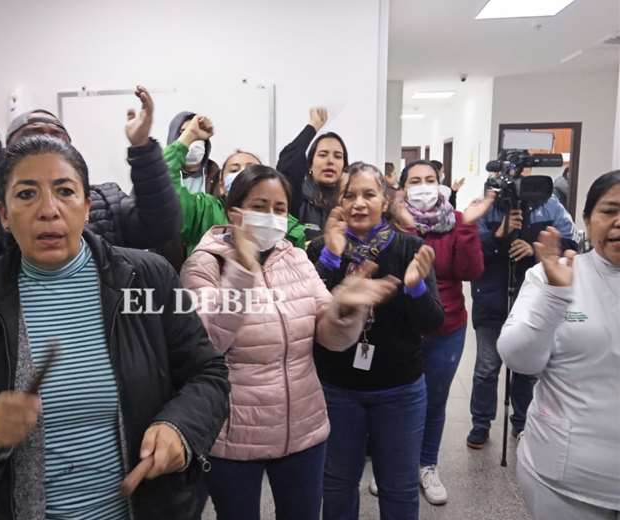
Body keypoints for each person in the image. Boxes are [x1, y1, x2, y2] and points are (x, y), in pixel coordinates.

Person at [0, 135, 230, 520]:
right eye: (26, 195)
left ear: (87, 206)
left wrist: (179, 428)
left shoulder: (147, 277)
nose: (48, 210)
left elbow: (208, 373)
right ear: (3, 214)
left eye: (65, 191)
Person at [181, 164, 399, 520]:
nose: (272, 217)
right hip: (235, 433)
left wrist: (344, 310)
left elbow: (329, 339)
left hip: (302, 428)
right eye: (260, 206)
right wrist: (242, 270)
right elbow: (208, 342)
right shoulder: (203, 265)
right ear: (234, 212)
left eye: (280, 209)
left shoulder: (296, 258)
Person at [307, 162, 444, 520]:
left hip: (400, 389)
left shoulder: (410, 248)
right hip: (336, 389)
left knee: (398, 488)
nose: (359, 203)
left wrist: (414, 287)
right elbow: (308, 314)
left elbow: (433, 322)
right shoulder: (323, 250)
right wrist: (331, 258)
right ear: (339, 202)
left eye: (369, 194)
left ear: (385, 200)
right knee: (336, 484)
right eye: (349, 195)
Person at [0, 78, 180, 266]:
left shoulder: (105, 198)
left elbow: (159, 226)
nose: (45, 138)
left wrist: (142, 149)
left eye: (56, 134)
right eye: (32, 133)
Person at [497, 170, 620, 520]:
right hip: (566, 480)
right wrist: (555, 297)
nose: (619, 222)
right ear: (585, 219)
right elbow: (518, 358)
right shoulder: (555, 275)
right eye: (609, 210)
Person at [395, 160, 490, 505]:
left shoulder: (454, 222)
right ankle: (396, 467)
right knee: (399, 400)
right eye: (415, 181)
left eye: (430, 180)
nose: (423, 186)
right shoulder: (393, 222)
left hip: (447, 327)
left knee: (434, 400)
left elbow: (471, 270)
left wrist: (466, 224)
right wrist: (406, 229)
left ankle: (426, 465)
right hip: (402, 327)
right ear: (403, 188)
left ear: (441, 184)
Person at [467, 174, 576, 449]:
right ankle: (480, 423)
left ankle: (522, 422)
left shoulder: (550, 207)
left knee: (526, 369)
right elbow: (471, 251)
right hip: (490, 300)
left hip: (531, 301)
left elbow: (571, 244)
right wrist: (499, 233)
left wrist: (534, 249)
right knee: (486, 368)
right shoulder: (486, 206)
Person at [161, 115, 305, 265]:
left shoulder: (289, 227)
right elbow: (162, 183)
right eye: (234, 169)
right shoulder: (204, 211)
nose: (242, 173)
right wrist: (189, 136)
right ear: (221, 185)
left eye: (251, 168)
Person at [277, 108, 348, 241]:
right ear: (309, 164)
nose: (330, 161)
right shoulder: (296, 197)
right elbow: (288, 161)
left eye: (338, 156)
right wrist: (312, 127)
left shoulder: (348, 204)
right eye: (323, 155)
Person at [165, 111, 221, 195]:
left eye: (197, 133)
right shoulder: (162, 175)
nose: (193, 138)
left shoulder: (216, 176)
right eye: (185, 133)